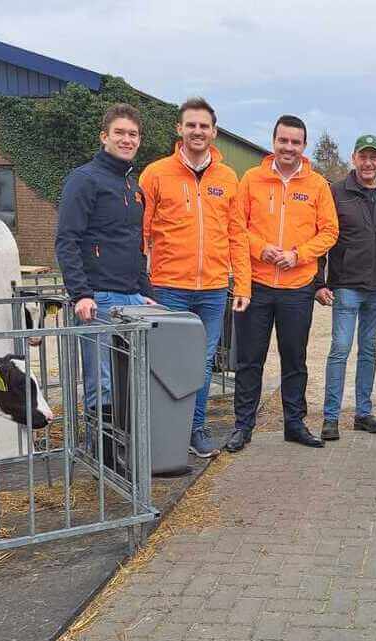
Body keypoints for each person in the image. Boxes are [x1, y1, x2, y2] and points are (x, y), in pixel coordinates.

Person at [139, 97, 252, 459]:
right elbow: (140, 231)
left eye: (204, 126)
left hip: (214, 289)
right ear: (180, 129)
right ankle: (162, 431)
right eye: (191, 125)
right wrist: (142, 284)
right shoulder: (156, 173)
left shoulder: (227, 178)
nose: (198, 131)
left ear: (214, 132)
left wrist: (243, 283)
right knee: (166, 362)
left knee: (202, 362)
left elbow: (237, 234)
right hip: (169, 287)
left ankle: (195, 428)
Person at [224, 115, 339, 452]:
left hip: (297, 287)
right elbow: (236, 226)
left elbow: (330, 231)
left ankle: (294, 423)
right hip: (257, 285)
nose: (289, 147)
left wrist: (299, 255)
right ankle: (242, 426)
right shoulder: (252, 180)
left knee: (294, 359)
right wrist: (261, 249)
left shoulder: (317, 185)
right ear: (273, 142)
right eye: (283, 141)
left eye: (296, 142)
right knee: (249, 360)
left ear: (304, 146)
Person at [55, 103, 155, 424]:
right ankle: (105, 459)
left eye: (133, 134)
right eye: (120, 133)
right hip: (99, 299)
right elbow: (67, 240)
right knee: (103, 383)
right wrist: (81, 293)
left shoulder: (133, 186)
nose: (127, 140)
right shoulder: (84, 180)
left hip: (131, 298)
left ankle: (127, 452)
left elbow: (135, 244)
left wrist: (144, 291)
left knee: (133, 380)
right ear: (104, 137)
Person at [314, 135, 376, 441]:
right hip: (346, 287)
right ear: (354, 158)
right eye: (363, 157)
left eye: (374, 157)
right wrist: (319, 281)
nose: (368, 163)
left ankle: (363, 414)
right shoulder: (336, 193)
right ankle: (330, 417)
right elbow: (322, 238)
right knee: (340, 349)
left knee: (368, 351)